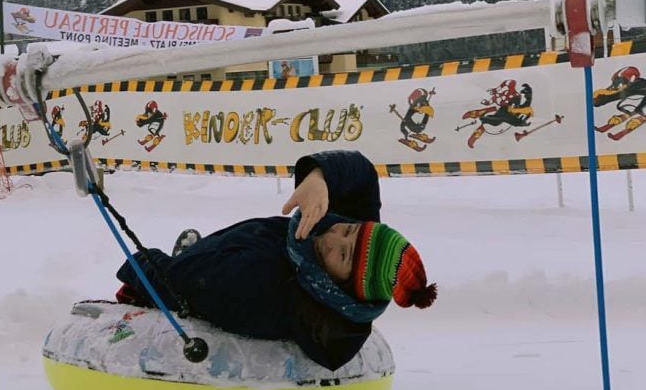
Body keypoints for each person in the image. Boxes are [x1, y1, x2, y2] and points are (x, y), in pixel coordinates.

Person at [114, 150, 436, 370]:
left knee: (176, 268)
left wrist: (139, 264)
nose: (334, 237)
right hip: (228, 258)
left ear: (343, 286)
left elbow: (183, 281)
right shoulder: (334, 252)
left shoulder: (264, 284)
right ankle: (192, 250)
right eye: (350, 230)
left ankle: (185, 253)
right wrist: (318, 177)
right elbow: (362, 173)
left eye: (343, 253)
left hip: (207, 278)